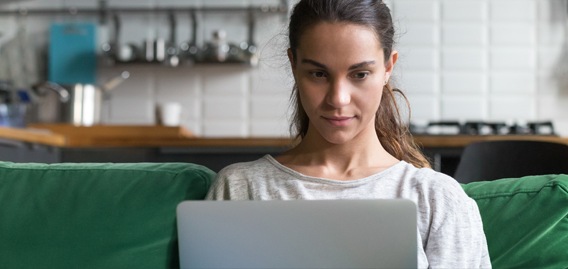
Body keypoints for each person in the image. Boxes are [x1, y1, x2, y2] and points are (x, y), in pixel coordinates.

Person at [206, 0, 491, 267]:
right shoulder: (240, 188)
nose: (338, 99)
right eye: (319, 74)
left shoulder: (438, 199)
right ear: (294, 65)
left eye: (360, 74)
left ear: (387, 67)